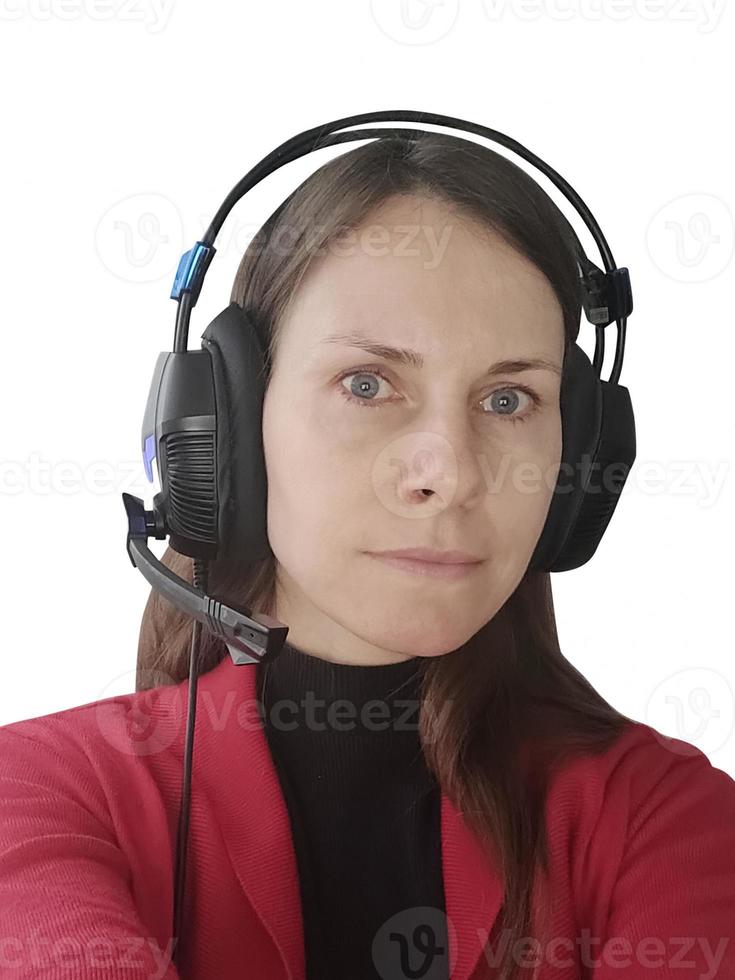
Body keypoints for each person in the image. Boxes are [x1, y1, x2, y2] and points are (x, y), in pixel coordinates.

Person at [1, 134, 734, 980]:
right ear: (226, 429)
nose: (450, 474)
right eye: (366, 383)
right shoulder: (40, 793)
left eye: (508, 399)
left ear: (573, 473)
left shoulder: (671, 821)